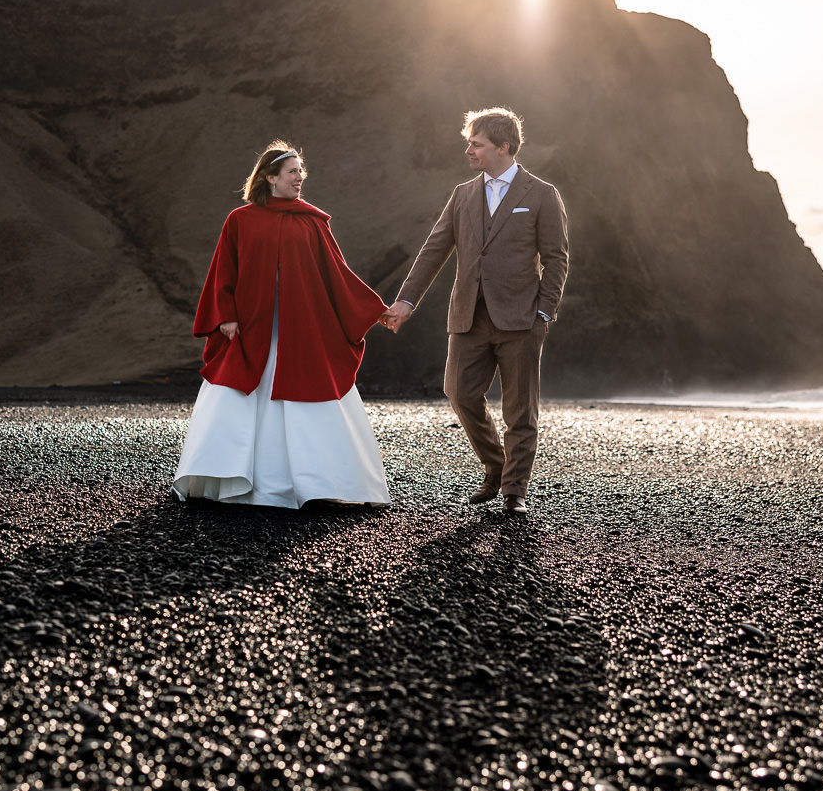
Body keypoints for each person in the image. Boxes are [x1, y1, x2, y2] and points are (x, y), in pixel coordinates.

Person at [172, 141, 392, 508]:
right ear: (270, 177)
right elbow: (223, 269)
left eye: (301, 171)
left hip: (301, 330)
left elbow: (337, 273)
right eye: (293, 171)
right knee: (236, 389)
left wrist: (373, 308)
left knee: (306, 388)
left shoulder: (312, 222)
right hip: (250, 329)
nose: (300, 177)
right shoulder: (239, 220)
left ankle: (315, 484)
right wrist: (224, 314)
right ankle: (226, 480)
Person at [381, 108, 569, 516]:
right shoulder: (462, 194)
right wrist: (406, 301)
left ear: (503, 146)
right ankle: (497, 465)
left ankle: (514, 491)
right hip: (468, 316)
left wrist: (545, 314)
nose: (469, 150)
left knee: (520, 408)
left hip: (522, 320)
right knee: (460, 393)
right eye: (470, 143)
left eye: (476, 144)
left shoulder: (541, 194)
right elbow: (434, 250)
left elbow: (557, 259)